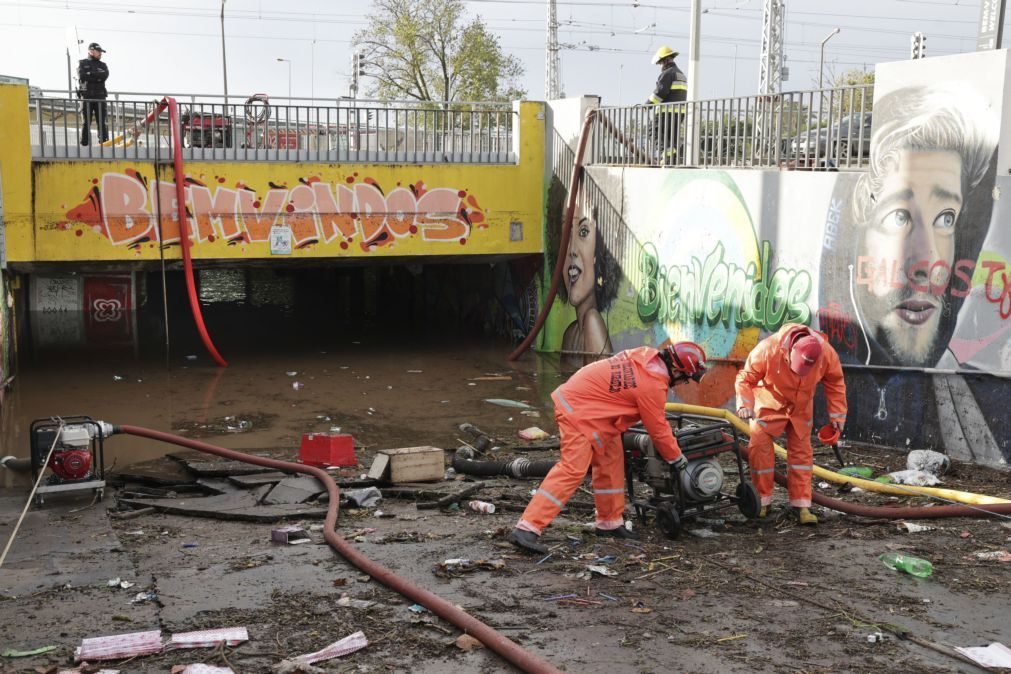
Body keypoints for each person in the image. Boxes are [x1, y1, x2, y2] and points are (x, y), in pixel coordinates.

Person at [510, 342, 707, 554]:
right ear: (676, 370)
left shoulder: (645, 356)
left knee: (611, 461)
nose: (683, 382)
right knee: (572, 469)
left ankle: (609, 523)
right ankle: (527, 528)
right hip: (578, 409)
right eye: (685, 378)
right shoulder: (652, 385)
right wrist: (676, 457)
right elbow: (658, 429)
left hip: (598, 412)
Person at [735, 324, 846, 525]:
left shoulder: (826, 353)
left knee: (802, 455)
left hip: (801, 407)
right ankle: (762, 501)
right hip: (769, 405)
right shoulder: (768, 349)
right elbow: (745, 378)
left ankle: (802, 505)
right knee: (760, 450)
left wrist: (837, 417)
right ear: (789, 350)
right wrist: (745, 404)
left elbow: (835, 381)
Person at [560, 207, 619, 368]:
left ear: (598, 253)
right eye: (566, 234)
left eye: (584, 232)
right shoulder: (570, 333)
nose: (572, 250)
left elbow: (605, 392)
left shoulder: (592, 322)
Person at [646, 45, 687, 164]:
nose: (660, 66)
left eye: (660, 63)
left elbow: (660, 93)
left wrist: (646, 105)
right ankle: (672, 160)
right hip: (679, 112)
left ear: (666, 60)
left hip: (666, 112)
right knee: (670, 136)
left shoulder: (667, 74)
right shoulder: (681, 74)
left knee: (653, 131)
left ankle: (668, 156)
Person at [78, 42, 110, 146]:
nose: (100, 53)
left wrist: (90, 74)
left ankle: (104, 144)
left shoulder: (103, 65)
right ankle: (84, 145)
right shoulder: (82, 63)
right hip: (86, 97)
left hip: (100, 96)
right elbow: (82, 76)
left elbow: (105, 75)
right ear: (91, 51)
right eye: (98, 51)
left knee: (102, 122)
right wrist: (97, 76)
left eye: (101, 52)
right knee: (86, 122)